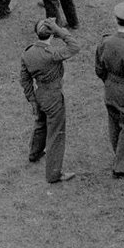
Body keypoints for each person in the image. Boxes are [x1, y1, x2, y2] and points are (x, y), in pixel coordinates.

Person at [20, 18, 80, 183]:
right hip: (53, 97)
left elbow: (25, 80)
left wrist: (32, 99)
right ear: (51, 35)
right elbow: (75, 46)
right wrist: (60, 30)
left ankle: (35, 153)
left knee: (40, 124)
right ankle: (54, 174)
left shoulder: (28, 52)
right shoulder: (52, 55)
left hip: (39, 94)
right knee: (56, 134)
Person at [94, 2, 124, 178]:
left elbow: (99, 68)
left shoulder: (105, 41)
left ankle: (119, 156)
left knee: (114, 123)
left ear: (115, 19)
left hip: (110, 88)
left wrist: (108, 81)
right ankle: (122, 167)